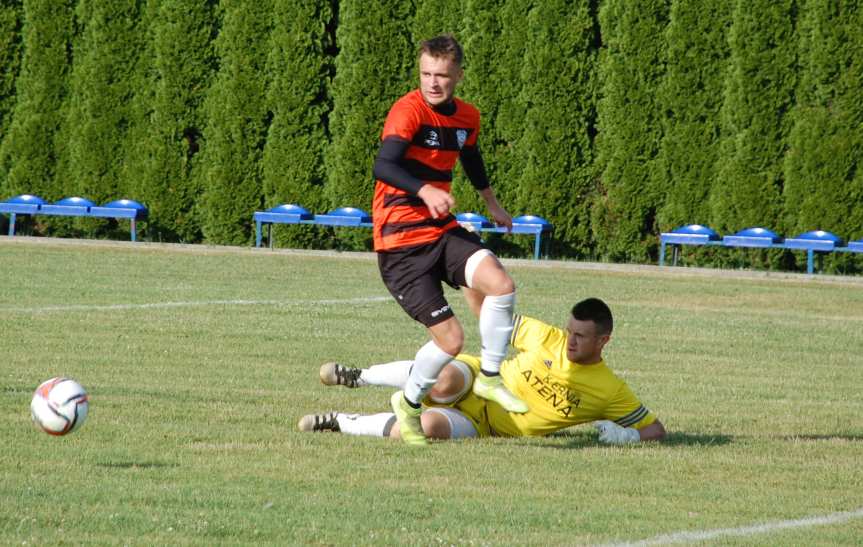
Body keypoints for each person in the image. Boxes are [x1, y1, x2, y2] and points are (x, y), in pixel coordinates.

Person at [370, 34, 526, 446]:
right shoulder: (409, 111)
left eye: (441, 75)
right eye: (426, 74)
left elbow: (471, 156)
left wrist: (493, 203)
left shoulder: (467, 117)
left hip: (439, 230)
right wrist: (424, 190)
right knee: (452, 341)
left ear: (458, 74)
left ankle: (490, 376)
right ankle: (409, 403)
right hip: (401, 243)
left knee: (500, 283)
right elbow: (383, 165)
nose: (432, 83)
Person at [298, 298, 667, 444]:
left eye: (581, 337)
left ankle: (340, 421)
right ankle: (360, 375)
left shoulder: (610, 390)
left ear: (604, 341)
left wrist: (626, 436)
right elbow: (495, 318)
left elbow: (655, 430)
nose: (570, 341)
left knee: (424, 429)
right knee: (443, 380)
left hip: (485, 426)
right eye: (570, 331)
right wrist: (475, 272)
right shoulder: (547, 337)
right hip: (477, 381)